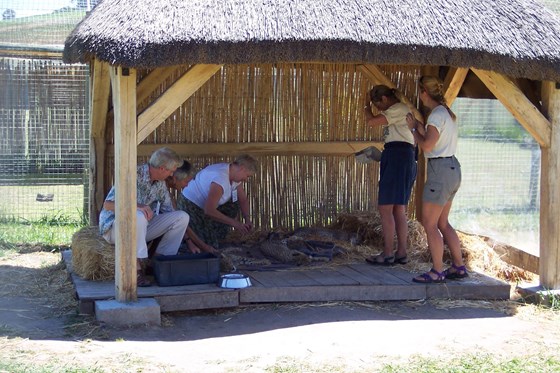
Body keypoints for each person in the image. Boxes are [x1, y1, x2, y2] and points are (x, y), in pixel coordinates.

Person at [406, 76, 467, 283]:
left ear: (424, 92)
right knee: (442, 222)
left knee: (429, 224)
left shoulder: (435, 116)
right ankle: (458, 267)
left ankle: (437, 271)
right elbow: (433, 139)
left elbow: (427, 146)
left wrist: (414, 129)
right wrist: (418, 127)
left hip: (439, 171)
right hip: (452, 169)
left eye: (419, 91)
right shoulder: (446, 113)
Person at [98, 147, 190, 287]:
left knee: (181, 217)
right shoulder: (132, 174)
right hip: (115, 230)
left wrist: (190, 241)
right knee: (139, 215)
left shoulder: (159, 183)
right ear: (161, 168)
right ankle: (136, 269)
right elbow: (108, 205)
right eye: (171, 171)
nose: (172, 175)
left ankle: (159, 263)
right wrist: (137, 206)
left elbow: (169, 211)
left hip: (141, 228)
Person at [363, 85, 417, 266]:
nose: (379, 110)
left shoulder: (397, 109)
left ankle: (387, 253)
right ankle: (401, 252)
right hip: (402, 156)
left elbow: (371, 122)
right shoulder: (400, 110)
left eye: (378, 105)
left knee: (386, 207)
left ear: (385, 99)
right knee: (398, 208)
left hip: (397, 156)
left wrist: (365, 107)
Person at [178, 154, 257, 248]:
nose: (246, 180)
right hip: (190, 206)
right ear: (242, 169)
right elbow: (209, 210)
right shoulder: (220, 179)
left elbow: (243, 199)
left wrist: (247, 219)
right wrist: (235, 223)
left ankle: (210, 230)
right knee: (210, 245)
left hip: (205, 206)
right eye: (247, 176)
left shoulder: (233, 174)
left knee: (232, 205)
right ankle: (189, 236)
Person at [166, 160, 218, 255]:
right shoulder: (163, 191)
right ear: (174, 178)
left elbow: (180, 222)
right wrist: (204, 246)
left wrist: (190, 243)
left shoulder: (167, 194)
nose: (187, 185)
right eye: (186, 181)